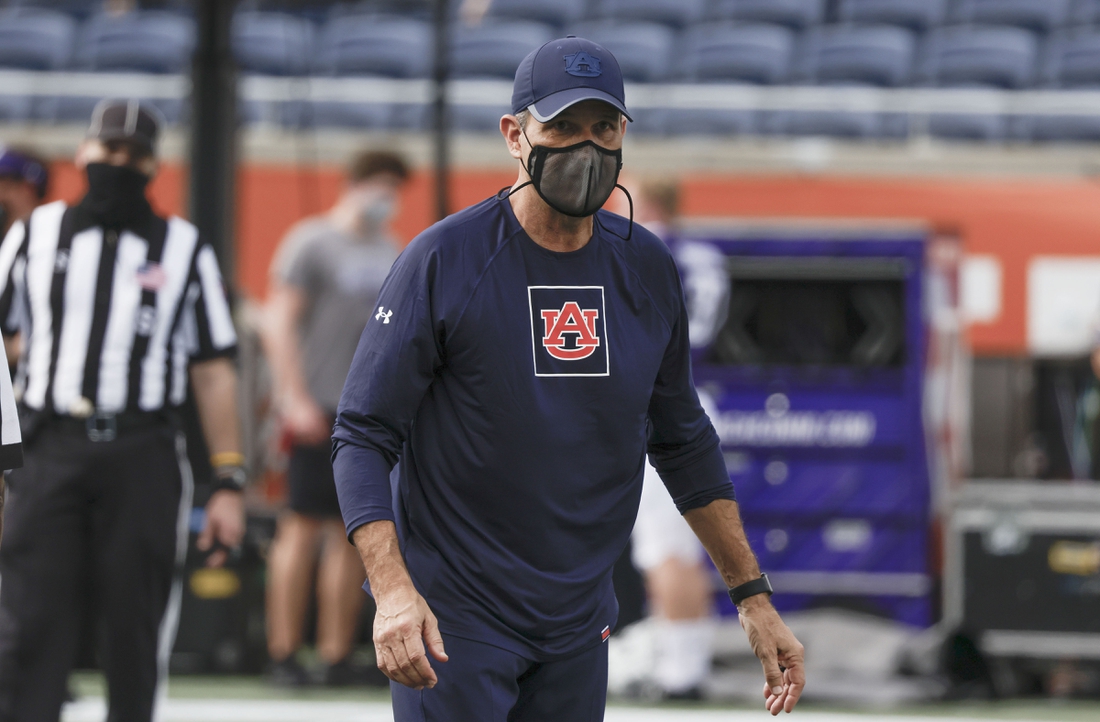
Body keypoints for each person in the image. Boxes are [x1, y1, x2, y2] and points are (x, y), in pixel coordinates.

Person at [332, 36, 805, 721]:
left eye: (603, 127)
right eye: (561, 127)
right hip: (455, 616)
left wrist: (753, 598)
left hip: (579, 621)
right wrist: (394, 591)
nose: (585, 148)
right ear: (514, 135)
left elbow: (682, 442)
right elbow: (362, 435)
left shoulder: (646, 267)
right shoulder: (445, 260)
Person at [0, 99, 246, 722]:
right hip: (47, 446)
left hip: (142, 452)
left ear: (153, 165)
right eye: (109, 150)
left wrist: (228, 479)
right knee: (31, 624)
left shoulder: (184, 247)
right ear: (84, 153)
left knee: (134, 628)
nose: (118, 163)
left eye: (133, 155)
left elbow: (214, 370)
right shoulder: (33, 235)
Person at [262, 149, 410, 686]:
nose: (387, 196)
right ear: (356, 183)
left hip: (364, 412)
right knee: (300, 528)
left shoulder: (392, 248)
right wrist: (291, 395)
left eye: (395, 187)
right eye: (381, 183)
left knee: (354, 535)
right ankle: (281, 653)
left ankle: (332, 654)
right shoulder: (312, 240)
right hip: (314, 405)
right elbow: (277, 320)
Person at [624, 177, 722, 701]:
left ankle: (682, 675)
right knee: (679, 545)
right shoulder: (699, 253)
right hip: (694, 397)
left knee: (667, 549)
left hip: (664, 403)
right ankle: (680, 661)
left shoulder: (645, 251)